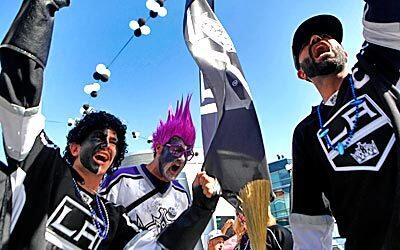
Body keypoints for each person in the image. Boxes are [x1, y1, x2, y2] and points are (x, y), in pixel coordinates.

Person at [0, 0, 220, 249]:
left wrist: (202, 207)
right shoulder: (44, 167)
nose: (107, 143)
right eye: (99, 137)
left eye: (114, 141)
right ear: (74, 147)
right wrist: (41, 6)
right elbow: (20, 98)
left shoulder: (112, 221)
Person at [290, 1, 400, 249]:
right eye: (304, 43)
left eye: (327, 35)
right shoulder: (306, 134)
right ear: (302, 73)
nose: (318, 37)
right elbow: (310, 225)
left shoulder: (378, 66)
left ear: (345, 53)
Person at [100, 97, 195, 235]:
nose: (182, 158)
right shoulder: (121, 180)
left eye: (187, 153)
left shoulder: (182, 196)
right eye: (176, 149)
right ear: (158, 148)